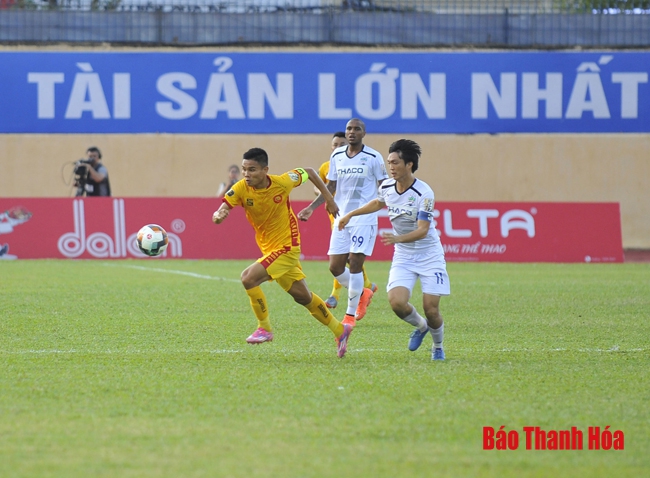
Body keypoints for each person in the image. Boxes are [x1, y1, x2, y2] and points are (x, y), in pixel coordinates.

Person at [212, 147, 353, 358]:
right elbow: (224, 206)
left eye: (252, 170)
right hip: (269, 248)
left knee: (248, 278)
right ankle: (340, 330)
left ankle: (265, 329)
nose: (246, 174)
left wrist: (329, 200)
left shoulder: (283, 181)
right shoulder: (241, 188)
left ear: (265, 170)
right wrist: (219, 214)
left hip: (287, 247)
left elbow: (310, 172)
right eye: (244, 169)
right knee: (303, 297)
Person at [337, 139, 449, 361]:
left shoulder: (424, 193)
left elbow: (423, 230)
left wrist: (398, 238)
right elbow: (378, 203)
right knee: (397, 303)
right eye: (389, 162)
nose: (391, 167)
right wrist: (350, 214)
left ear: (409, 164)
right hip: (404, 256)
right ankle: (421, 327)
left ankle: (437, 346)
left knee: (431, 309)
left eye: (395, 162)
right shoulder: (387, 186)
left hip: (429, 255)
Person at [298, 118, 388, 329]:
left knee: (355, 264)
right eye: (349, 129)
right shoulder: (337, 156)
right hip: (340, 218)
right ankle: (364, 292)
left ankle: (348, 316)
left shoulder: (374, 157)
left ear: (364, 133)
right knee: (335, 267)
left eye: (357, 129)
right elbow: (331, 187)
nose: (352, 132)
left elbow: (384, 187)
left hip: (363, 219)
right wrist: (312, 207)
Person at [314, 131, 378, 310]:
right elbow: (321, 187)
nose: (337, 148)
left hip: (357, 216)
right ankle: (366, 285)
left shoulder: (366, 160)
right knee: (341, 260)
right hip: (336, 215)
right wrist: (321, 199)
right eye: (335, 144)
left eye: (341, 144)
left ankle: (336, 296)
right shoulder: (326, 166)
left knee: (352, 258)